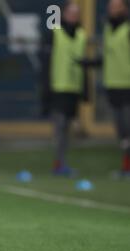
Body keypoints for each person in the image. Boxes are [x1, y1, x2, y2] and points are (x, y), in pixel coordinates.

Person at [40, 1, 87, 176]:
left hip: (73, 89)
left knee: (67, 128)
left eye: (76, 13)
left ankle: (62, 162)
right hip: (57, 88)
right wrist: (45, 88)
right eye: (71, 13)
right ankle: (58, 163)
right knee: (59, 127)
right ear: (64, 14)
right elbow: (46, 63)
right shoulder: (55, 33)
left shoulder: (81, 34)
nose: (73, 16)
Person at [103, 0, 130, 175]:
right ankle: (126, 167)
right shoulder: (108, 29)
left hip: (128, 87)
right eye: (110, 6)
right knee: (122, 132)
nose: (112, 9)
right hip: (113, 86)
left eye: (116, 6)